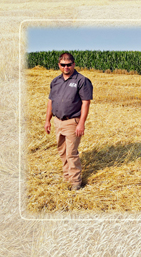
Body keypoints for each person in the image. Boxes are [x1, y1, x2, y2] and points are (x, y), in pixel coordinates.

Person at [44, 52, 93, 191]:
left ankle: (76, 182)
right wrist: (47, 120)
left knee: (71, 152)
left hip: (72, 122)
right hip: (58, 121)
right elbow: (50, 102)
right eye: (63, 65)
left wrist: (81, 123)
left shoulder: (82, 81)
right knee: (62, 151)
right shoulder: (55, 81)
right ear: (59, 65)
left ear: (73, 64)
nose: (66, 67)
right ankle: (67, 176)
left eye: (69, 65)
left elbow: (85, 103)